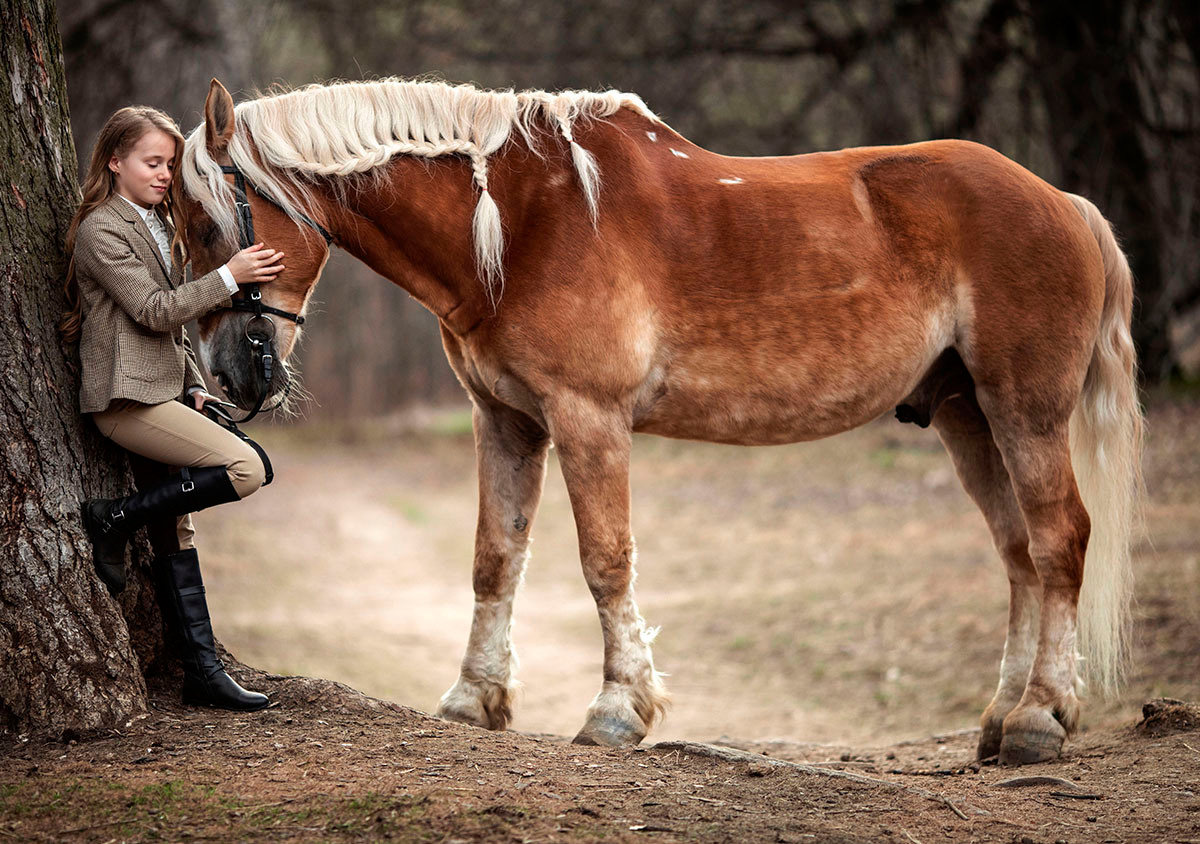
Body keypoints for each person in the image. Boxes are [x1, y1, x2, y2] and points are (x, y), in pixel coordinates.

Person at [60, 106, 285, 712]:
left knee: (177, 530)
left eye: (168, 165)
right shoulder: (101, 231)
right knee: (247, 468)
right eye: (151, 163)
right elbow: (155, 310)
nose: (164, 175)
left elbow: (174, 335)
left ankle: (202, 672)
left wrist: (193, 383)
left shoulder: (160, 223)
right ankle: (112, 518)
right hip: (124, 398)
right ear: (115, 161)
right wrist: (230, 278)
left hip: (163, 391)